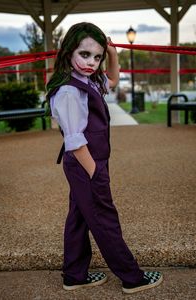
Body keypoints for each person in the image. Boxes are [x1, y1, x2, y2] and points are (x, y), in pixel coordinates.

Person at [46, 22, 163, 294]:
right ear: (68, 52)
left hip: (89, 163)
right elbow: (75, 141)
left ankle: (74, 274)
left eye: (96, 57)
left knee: (79, 216)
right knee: (104, 217)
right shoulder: (69, 91)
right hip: (86, 163)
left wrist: (112, 53)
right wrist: (95, 173)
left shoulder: (89, 79)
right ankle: (132, 277)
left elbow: (111, 80)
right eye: (84, 54)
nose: (91, 63)